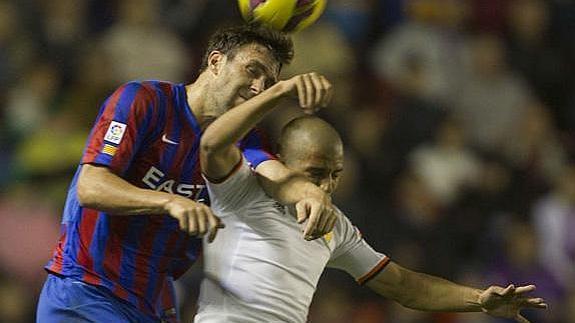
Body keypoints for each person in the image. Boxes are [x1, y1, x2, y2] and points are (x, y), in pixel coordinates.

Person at [36, 25, 337, 323]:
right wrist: (169, 202)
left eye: (270, 83)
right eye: (252, 70)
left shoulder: (244, 139)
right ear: (216, 62)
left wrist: (311, 195)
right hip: (87, 288)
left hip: (154, 302)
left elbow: (276, 176)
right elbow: (90, 187)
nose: (259, 87)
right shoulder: (144, 101)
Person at [197, 109, 548, 322]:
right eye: (316, 172)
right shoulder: (243, 190)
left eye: (336, 173)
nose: (329, 184)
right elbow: (212, 143)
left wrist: (479, 300)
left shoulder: (336, 228)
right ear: (282, 160)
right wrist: (281, 92)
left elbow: (404, 286)